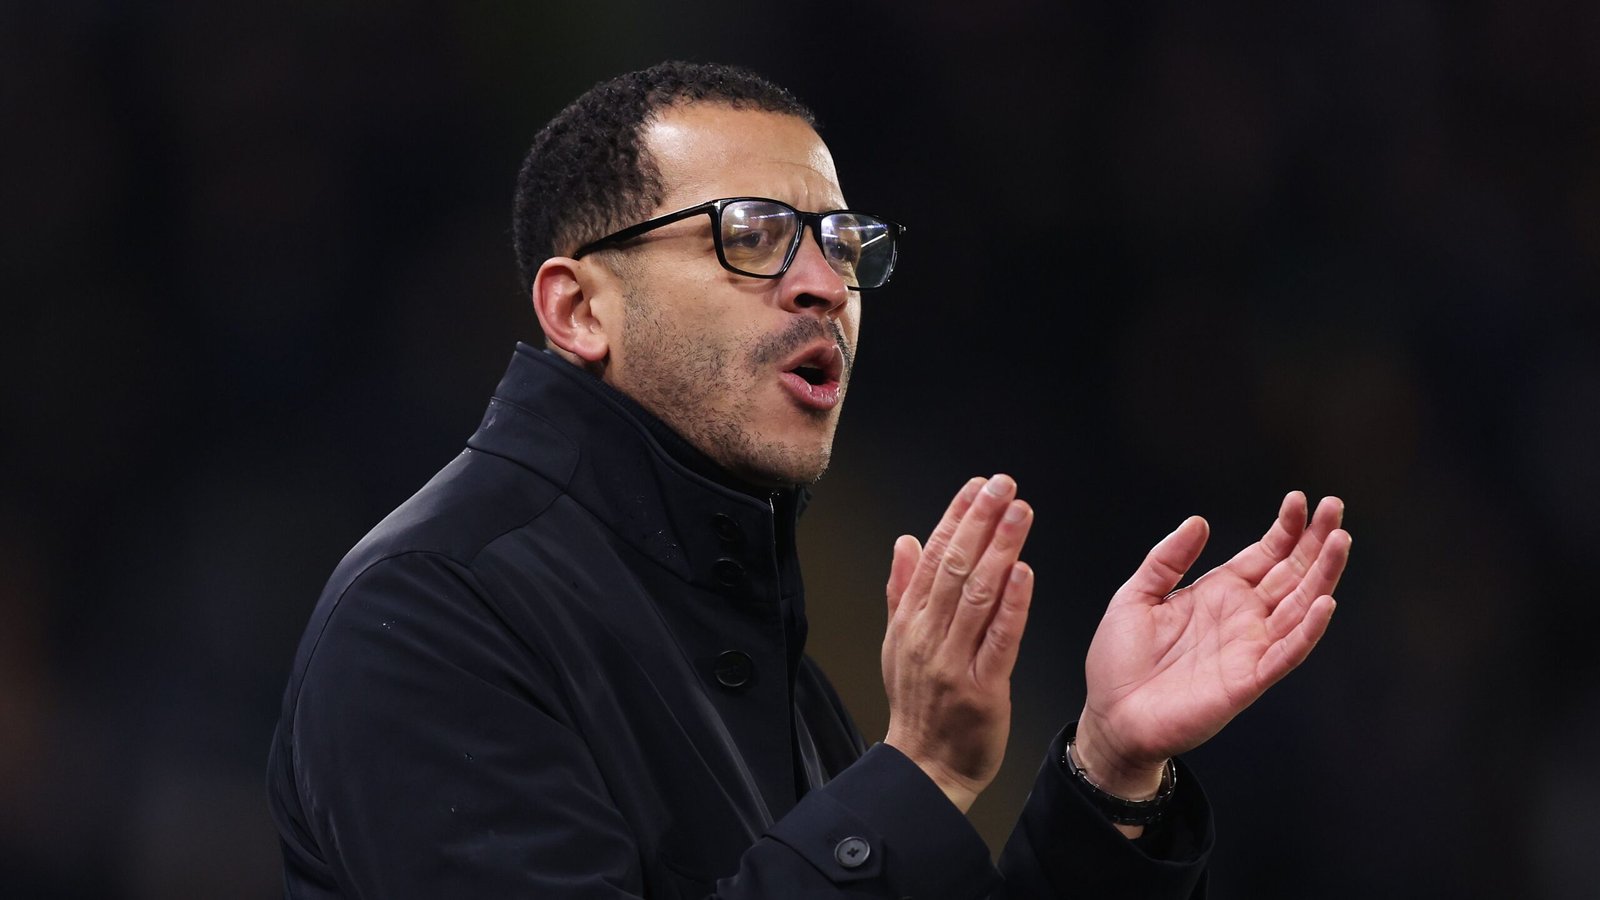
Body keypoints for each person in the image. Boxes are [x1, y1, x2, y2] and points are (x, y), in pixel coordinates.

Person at [266, 61, 1350, 898]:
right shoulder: (429, 614)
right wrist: (914, 774)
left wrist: (1105, 777)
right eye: (754, 236)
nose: (823, 285)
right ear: (578, 309)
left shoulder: (755, 638)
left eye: (843, 244)